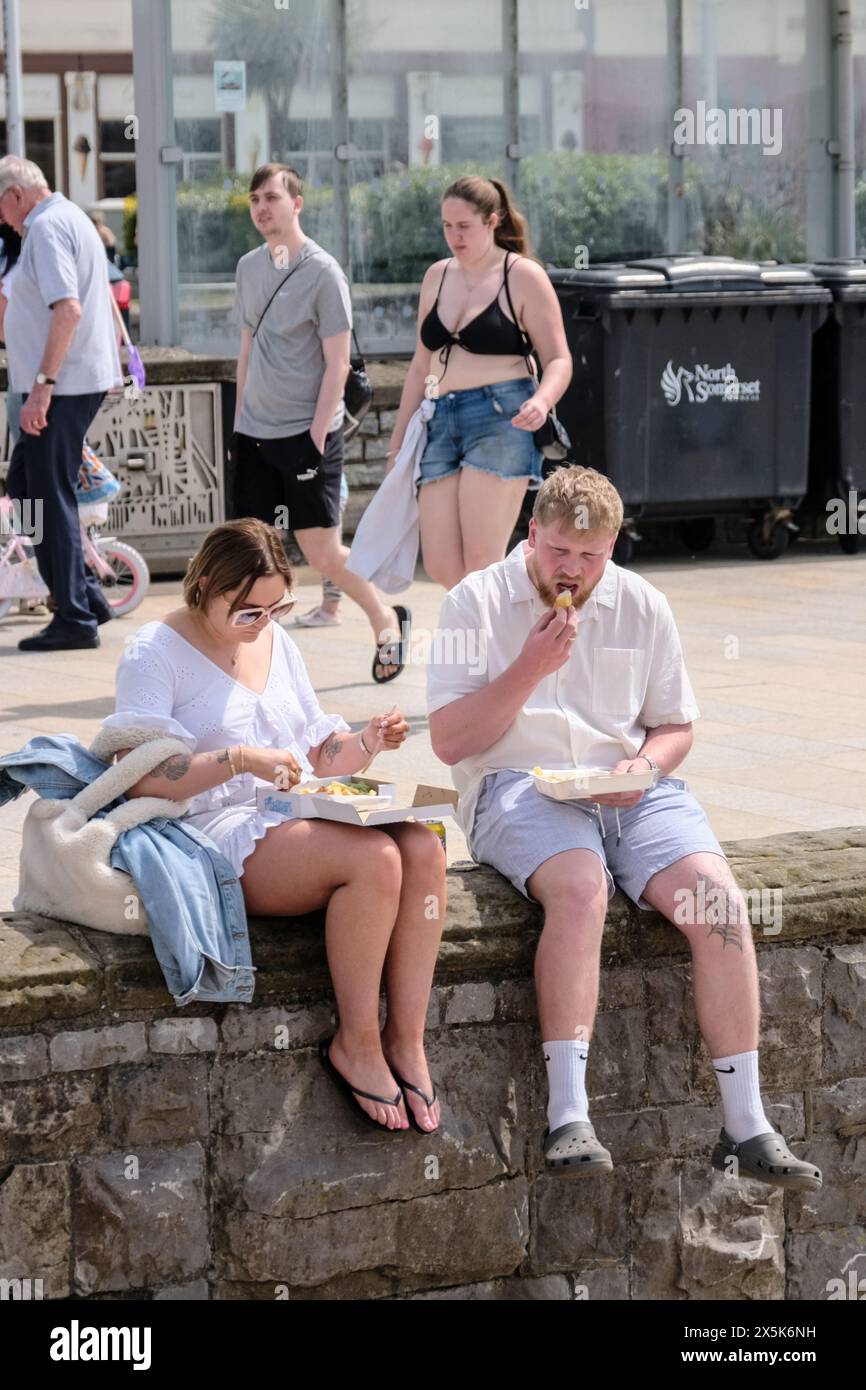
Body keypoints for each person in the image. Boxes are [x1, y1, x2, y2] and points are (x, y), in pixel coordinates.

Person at [426, 465, 822, 1190]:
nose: (574, 572)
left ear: (613, 548)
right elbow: (451, 742)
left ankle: (746, 1125)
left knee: (722, 904)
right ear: (532, 534)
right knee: (581, 889)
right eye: (560, 554)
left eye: (593, 558)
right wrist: (529, 667)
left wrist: (643, 765)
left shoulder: (643, 603)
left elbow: (675, 724)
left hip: (633, 785)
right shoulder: (473, 603)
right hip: (515, 782)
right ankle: (568, 1115)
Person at [102, 518, 445, 1133]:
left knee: (423, 847)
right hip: (218, 828)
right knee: (376, 861)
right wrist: (237, 759)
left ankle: (408, 1039)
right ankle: (357, 1044)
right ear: (204, 585)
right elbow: (138, 774)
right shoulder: (153, 652)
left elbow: (317, 751)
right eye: (247, 612)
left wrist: (366, 740)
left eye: (275, 607)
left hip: (295, 809)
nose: (262, 623)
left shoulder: (275, 639)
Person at [231, 163, 410, 681]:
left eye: (272, 198)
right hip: (254, 433)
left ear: (297, 203)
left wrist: (315, 436)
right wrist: (240, 422)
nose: (263, 208)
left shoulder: (322, 271)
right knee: (251, 551)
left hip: (308, 436)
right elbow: (246, 349)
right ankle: (256, 659)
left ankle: (386, 621)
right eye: (255, 199)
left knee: (321, 553)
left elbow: (338, 362)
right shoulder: (248, 267)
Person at [382, 174, 572, 591]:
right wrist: (397, 444)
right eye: (447, 226)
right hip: (440, 417)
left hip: (502, 415)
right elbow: (420, 365)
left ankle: (498, 651)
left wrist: (542, 401)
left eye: (464, 226)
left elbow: (558, 359)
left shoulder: (521, 275)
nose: (454, 236)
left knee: (481, 563)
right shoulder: (437, 276)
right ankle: (521, 614)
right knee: (441, 565)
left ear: (493, 221)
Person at [0, 155, 122, 651]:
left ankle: (74, 615)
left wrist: (43, 384)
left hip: (62, 385)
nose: (3, 220)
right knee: (25, 484)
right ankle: (84, 596)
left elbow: (67, 308)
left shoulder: (46, 227)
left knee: (50, 493)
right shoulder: (65, 216)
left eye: (1, 208)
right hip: (66, 382)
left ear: (15, 195)